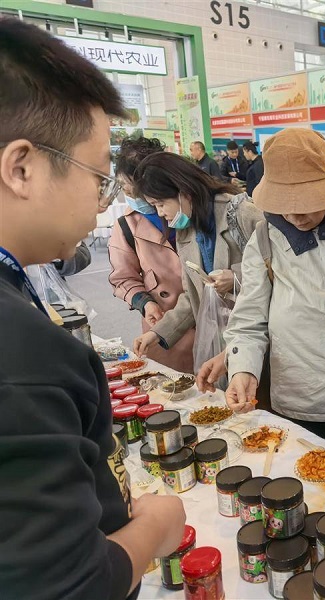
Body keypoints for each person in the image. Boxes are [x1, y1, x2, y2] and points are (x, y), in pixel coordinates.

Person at [0, 20, 185, 598]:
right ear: (22, 168)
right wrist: (154, 529)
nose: (102, 203)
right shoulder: (23, 354)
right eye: (98, 176)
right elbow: (67, 585)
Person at [208, 129, 325, 466]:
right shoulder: (265, 239)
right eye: (286, 204)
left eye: (308, 201)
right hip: (303, 398)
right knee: (307, 485)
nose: (296, 215)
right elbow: (249, 322)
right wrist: (243, 370)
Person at [131, 153, 264, 365]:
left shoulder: (242, 214)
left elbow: (280, 267)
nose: (160, 213)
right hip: (219, 340)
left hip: (257, 339)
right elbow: (192, 295)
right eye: (154, 206)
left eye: (161, 203)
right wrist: (157, 333)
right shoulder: (185, 229)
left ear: (184, 192)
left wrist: (237, 277)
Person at [109, 137, 195, 373]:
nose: (126, 192)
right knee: (173, 385)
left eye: (129, 186)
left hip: (211, 319)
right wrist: (144, 303)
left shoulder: (189, 212)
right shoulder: (126, 225)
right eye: (122, 186)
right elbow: (123, 277)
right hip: (164, 325)